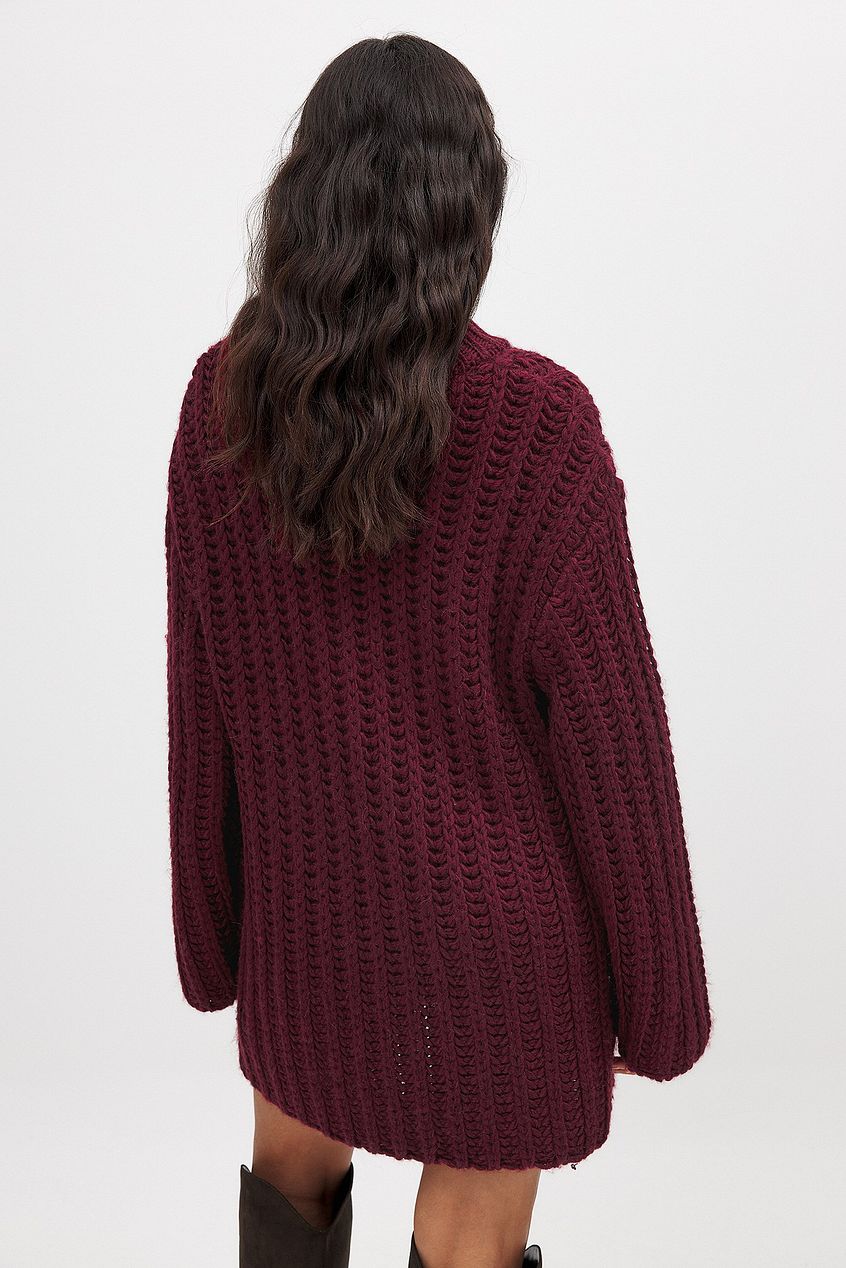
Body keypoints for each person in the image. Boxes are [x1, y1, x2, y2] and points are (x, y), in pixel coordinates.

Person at [164, 32, 712, 1268]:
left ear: (303, 193)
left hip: (305, 932)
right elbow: (617, 755)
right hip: (504, 968)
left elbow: (204, 706)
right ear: (471, 213)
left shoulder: (219, 406)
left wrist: (214, 936)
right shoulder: (541, 427)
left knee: (288, 1192)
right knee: (467, 1246)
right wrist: (661, 1003)